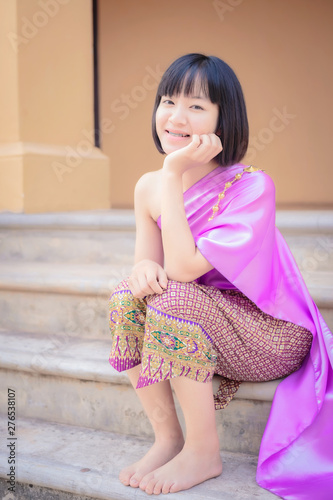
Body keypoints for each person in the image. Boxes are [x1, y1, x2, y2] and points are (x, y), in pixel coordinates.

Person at [108, 53, 333, 498]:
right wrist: (140, 271)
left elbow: (182, 270)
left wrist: (173, 176)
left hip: (270, 333)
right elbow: (148, 264)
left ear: (222, 119)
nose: (175, 117)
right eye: (168, 101)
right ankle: (169, 438)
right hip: (206, 319)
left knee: (172, 295)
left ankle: (204, 450)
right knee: (125, 298)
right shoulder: (147, 186)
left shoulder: (250, 185)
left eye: (195, 106)